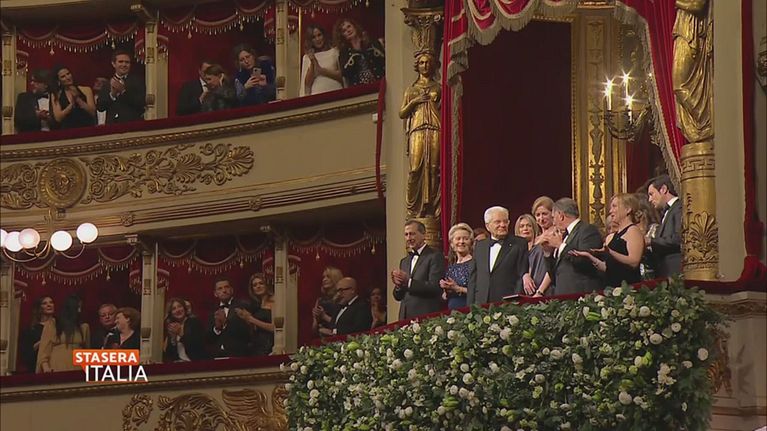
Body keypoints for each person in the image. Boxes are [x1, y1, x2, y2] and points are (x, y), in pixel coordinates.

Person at [400, 51, 441, 219]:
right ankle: (413, 209)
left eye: (428, 62)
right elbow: (402, 113)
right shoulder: (411, 90)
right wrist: (415, 101)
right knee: (415, 169)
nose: (425, 66)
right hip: (417, 129)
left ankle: (431, 207)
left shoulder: (438, 87)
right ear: (417, 66)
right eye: (422, 63)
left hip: (435, 127)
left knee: (434, 168)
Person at [570, 194, 644, 287]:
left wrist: (610, 252)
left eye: (614, 206)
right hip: (611, 289)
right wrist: (590, 257)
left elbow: (634, 261)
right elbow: (608, 268)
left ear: (628, 209)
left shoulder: (633, 231)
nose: (610, 211)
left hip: (628, 289)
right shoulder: (614, 236)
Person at [468, 206, 532, 305]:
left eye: (505, 221)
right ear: (487, 226)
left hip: (507, 303)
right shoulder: (480, 246)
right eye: (497, 222)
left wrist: (515, 301)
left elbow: (521, 273)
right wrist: (470, 307)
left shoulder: (519, 243)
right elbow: (473, 279)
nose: (502, 225)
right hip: (481, 303)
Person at [542, 198, 604, 295]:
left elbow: (586, 261)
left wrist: (560, 245)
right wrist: (547, 253)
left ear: (561, 216)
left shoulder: (588, 230)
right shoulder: (564, 236)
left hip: (582, 295)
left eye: (553, 218)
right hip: (563, 296)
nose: (553, 223)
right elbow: (554, 274)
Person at [391, 220, 445, 319]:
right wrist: (399, 285)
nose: (409, 238)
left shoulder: (435, 256)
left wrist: (409, 282)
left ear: (424, 235)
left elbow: (435, 287)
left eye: (412, 234)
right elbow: (398, 297)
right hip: (405, 317)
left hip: (425, 317)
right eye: (406, 234)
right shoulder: (404, 261)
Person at [36, 294, 89, 373]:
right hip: (58, 368)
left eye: (80, 307)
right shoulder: (53, 324)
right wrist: (46, 368)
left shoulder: (84, 327)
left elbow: (87, 352)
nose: (79, 311)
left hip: (79, 369)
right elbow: (44, 351)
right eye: (77, 307)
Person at [646, 175, 682, 277]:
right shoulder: (667, 211)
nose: (649, 199)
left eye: (651, 194)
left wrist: (650, 241)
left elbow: (679, 238)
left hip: (675, 272)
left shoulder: (678, 208)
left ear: (663, 189)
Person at [97, 49, 146, 124]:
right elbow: (100, 107)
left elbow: (141, 103)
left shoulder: (138, 82)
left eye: (127, 62)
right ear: (113, 64)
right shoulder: (107, 84)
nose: (124, 65)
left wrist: (123, 91)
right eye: (120, 62)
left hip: (132, 124)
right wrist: (112, 95)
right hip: (112, 126)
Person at [206, 276, 251, 357]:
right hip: (217, 356)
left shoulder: (243, 306)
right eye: (220, 289)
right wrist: (217, 328)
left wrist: (225, 323)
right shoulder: (212, 311)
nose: (224, 290)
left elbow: (247, 333)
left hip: (239, 355)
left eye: (226, 287)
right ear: (215, 293)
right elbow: (208, 339)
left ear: (231, 290)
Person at [334, 18, 385, 86]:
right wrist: (354, 55)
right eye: (344, 31)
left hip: (379, 82)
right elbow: (345, 73)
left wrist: (368, 46)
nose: (348, 30)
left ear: (355, 26)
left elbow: (383, 60)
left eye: (349, 26)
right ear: (342, 36)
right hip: (358, 87)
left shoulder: (371, 42)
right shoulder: (344, 52)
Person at [235, 273, 275, 356]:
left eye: (261, 283)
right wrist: (245, 319)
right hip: (256, 346)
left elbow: (274, 328)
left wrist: (250, 319)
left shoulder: (274, 302)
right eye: (255, 285)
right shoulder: (256, 306)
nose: (258, 286)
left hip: (269, 346)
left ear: (267, 285)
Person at [300, 24, 343, 96]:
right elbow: (306, 85)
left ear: (324, 35)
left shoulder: (334, 52)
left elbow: (343, 77)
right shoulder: (306, 57)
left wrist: (323, 71)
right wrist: (313, 61)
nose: (317, 39)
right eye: (313, 37)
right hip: (317, 95)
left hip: (336, 92)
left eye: (319, 35)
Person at [515, 214, 552, 297]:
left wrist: (540, 292)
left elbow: (550, 270)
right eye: (522, 226)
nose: (525, 229)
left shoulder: (541, 246)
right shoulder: (515, 251)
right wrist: (525, 275)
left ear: (534, 228)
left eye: (529, 226)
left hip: (542, 293)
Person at [439, 223, 474, 309]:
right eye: (458, 239)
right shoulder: (451, 268)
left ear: (471, 242)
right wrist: (445, 290)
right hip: (452, 310)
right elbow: (445, 297)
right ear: (452, 243)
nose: (461, 242)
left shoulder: (476, 264)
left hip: (469, 309)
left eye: (465, 239)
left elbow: (479, 291)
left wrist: (458, 288)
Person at [19, 296, 54, 373]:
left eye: (51, 302)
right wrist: (41, 343)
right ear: (39, 308)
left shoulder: (59, 326)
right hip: (36, 367)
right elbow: (26, 355)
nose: (49, 305)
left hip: (56, 364)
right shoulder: (31, 330)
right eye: (44, 303)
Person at [312, 266, 343, 336]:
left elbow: (343, 324)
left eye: (328, 277)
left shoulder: (341, 298)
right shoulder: (320, 300)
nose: (324, 279)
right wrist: (315, 319)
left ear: (335, 279)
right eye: (323, 277)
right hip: (321, 336)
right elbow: (314, 328)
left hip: (337, 336)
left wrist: (324, 316)